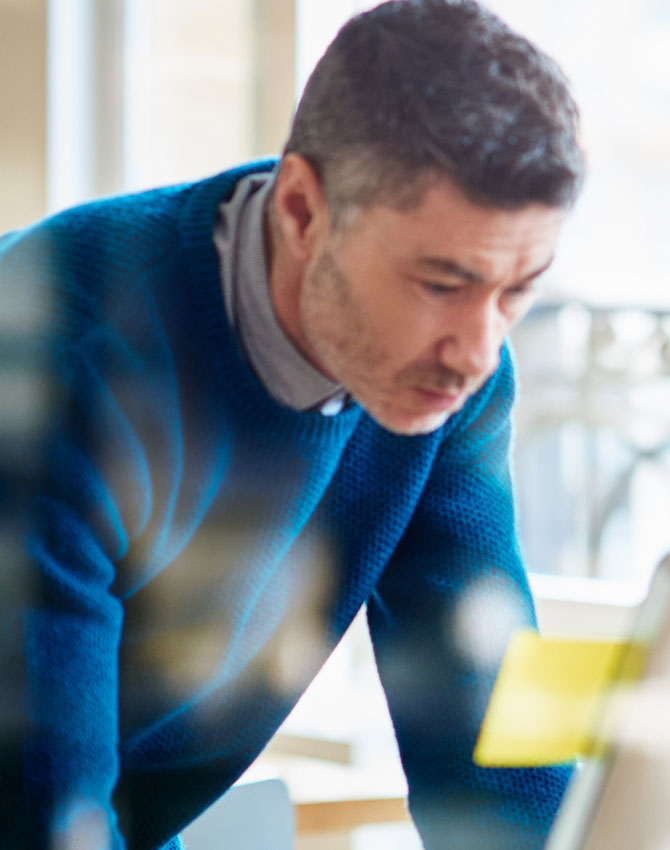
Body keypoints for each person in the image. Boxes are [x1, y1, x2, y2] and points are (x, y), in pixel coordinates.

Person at [0, 1, 584, 847]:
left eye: (517, 289)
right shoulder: (56, 360)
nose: (477, 350)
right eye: (440, 283)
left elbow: (489, 747)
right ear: (304, 211)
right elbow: (42, 813)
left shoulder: (447, 383)